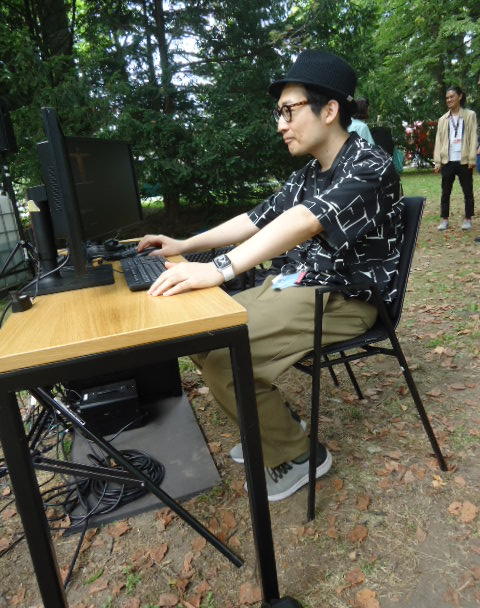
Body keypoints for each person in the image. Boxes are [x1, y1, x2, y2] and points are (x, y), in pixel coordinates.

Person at [137, 50, 404, 501]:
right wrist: (184, 245)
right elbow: (255, 219)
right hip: (297, 284)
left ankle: (299, 457)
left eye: (289, 110)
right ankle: (275, 425)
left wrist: (219, 268)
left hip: (346, 297)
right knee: (200, 332)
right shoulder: (309, 174)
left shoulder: (369, 166)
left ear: (329, 110)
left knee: (225, 360)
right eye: (278, 113)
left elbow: (303, 221)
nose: (280, 124)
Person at [433, 86, 477, 231]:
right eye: (447, 98)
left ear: (460, 96)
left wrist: (472, 159)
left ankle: (468, 219)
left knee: (468, 192)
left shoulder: (470, 115)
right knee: (445, 192)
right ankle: (444, 219)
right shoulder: (443, 119)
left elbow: (473, 137)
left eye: (452, 96)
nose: (449, 100)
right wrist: (437, 161)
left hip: (464, 160)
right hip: (448, 161)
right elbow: (438, 141)